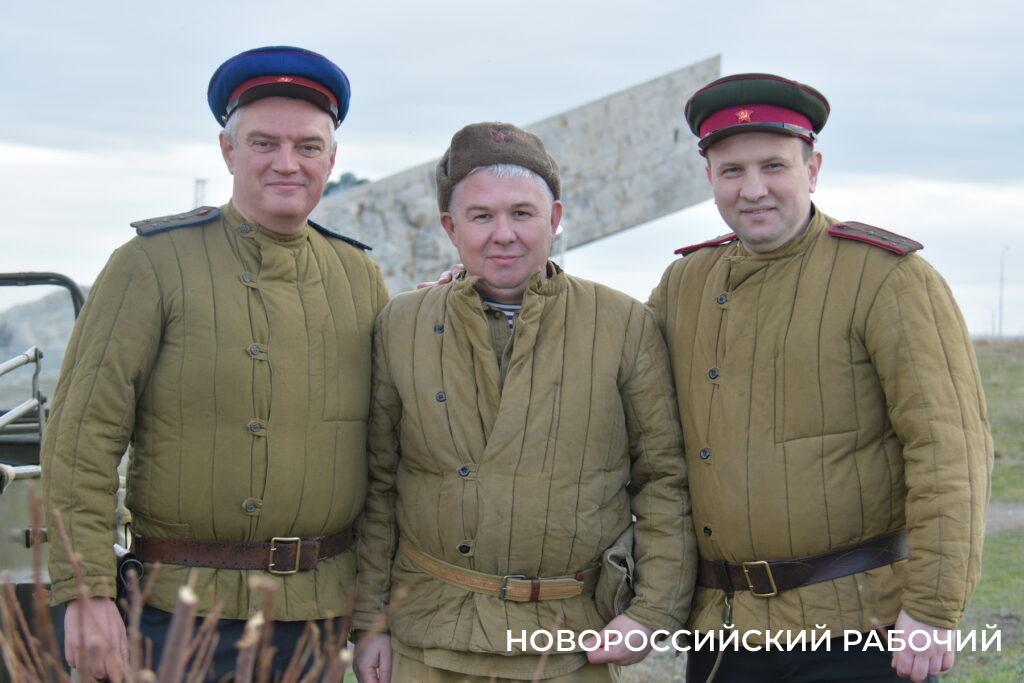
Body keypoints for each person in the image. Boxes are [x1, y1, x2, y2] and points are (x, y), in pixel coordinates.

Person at [41, 45, 389, 680]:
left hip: (322, 619)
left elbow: (387, 452)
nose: (287, 162)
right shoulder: (149, 265)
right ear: (228, 151)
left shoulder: (359, 276)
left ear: (332, 159)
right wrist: (85, 592)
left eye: (308, 146)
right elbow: (80, 439)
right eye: (264, 143)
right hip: (180, 617)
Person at [647, 73, 993, 682]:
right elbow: (622, 387)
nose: (753, 189)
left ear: (812, 170)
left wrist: (933, 607)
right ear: (709, 178)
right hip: (727, 633)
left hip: (860, 632)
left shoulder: (889, 278)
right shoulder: (685, 283)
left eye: (773, 166)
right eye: (732, 171)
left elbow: (949, 451)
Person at [352, 122, 696, 682]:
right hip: (427, 641)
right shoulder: (402, 325)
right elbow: (379, 482)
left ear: (555, 218)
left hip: (569, 643)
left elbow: (663, 478)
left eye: (522, 213)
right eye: (481, 216)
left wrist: (651, 611)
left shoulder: (624, 324)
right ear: (450, 227)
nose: (504, 234)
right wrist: (371, 622)